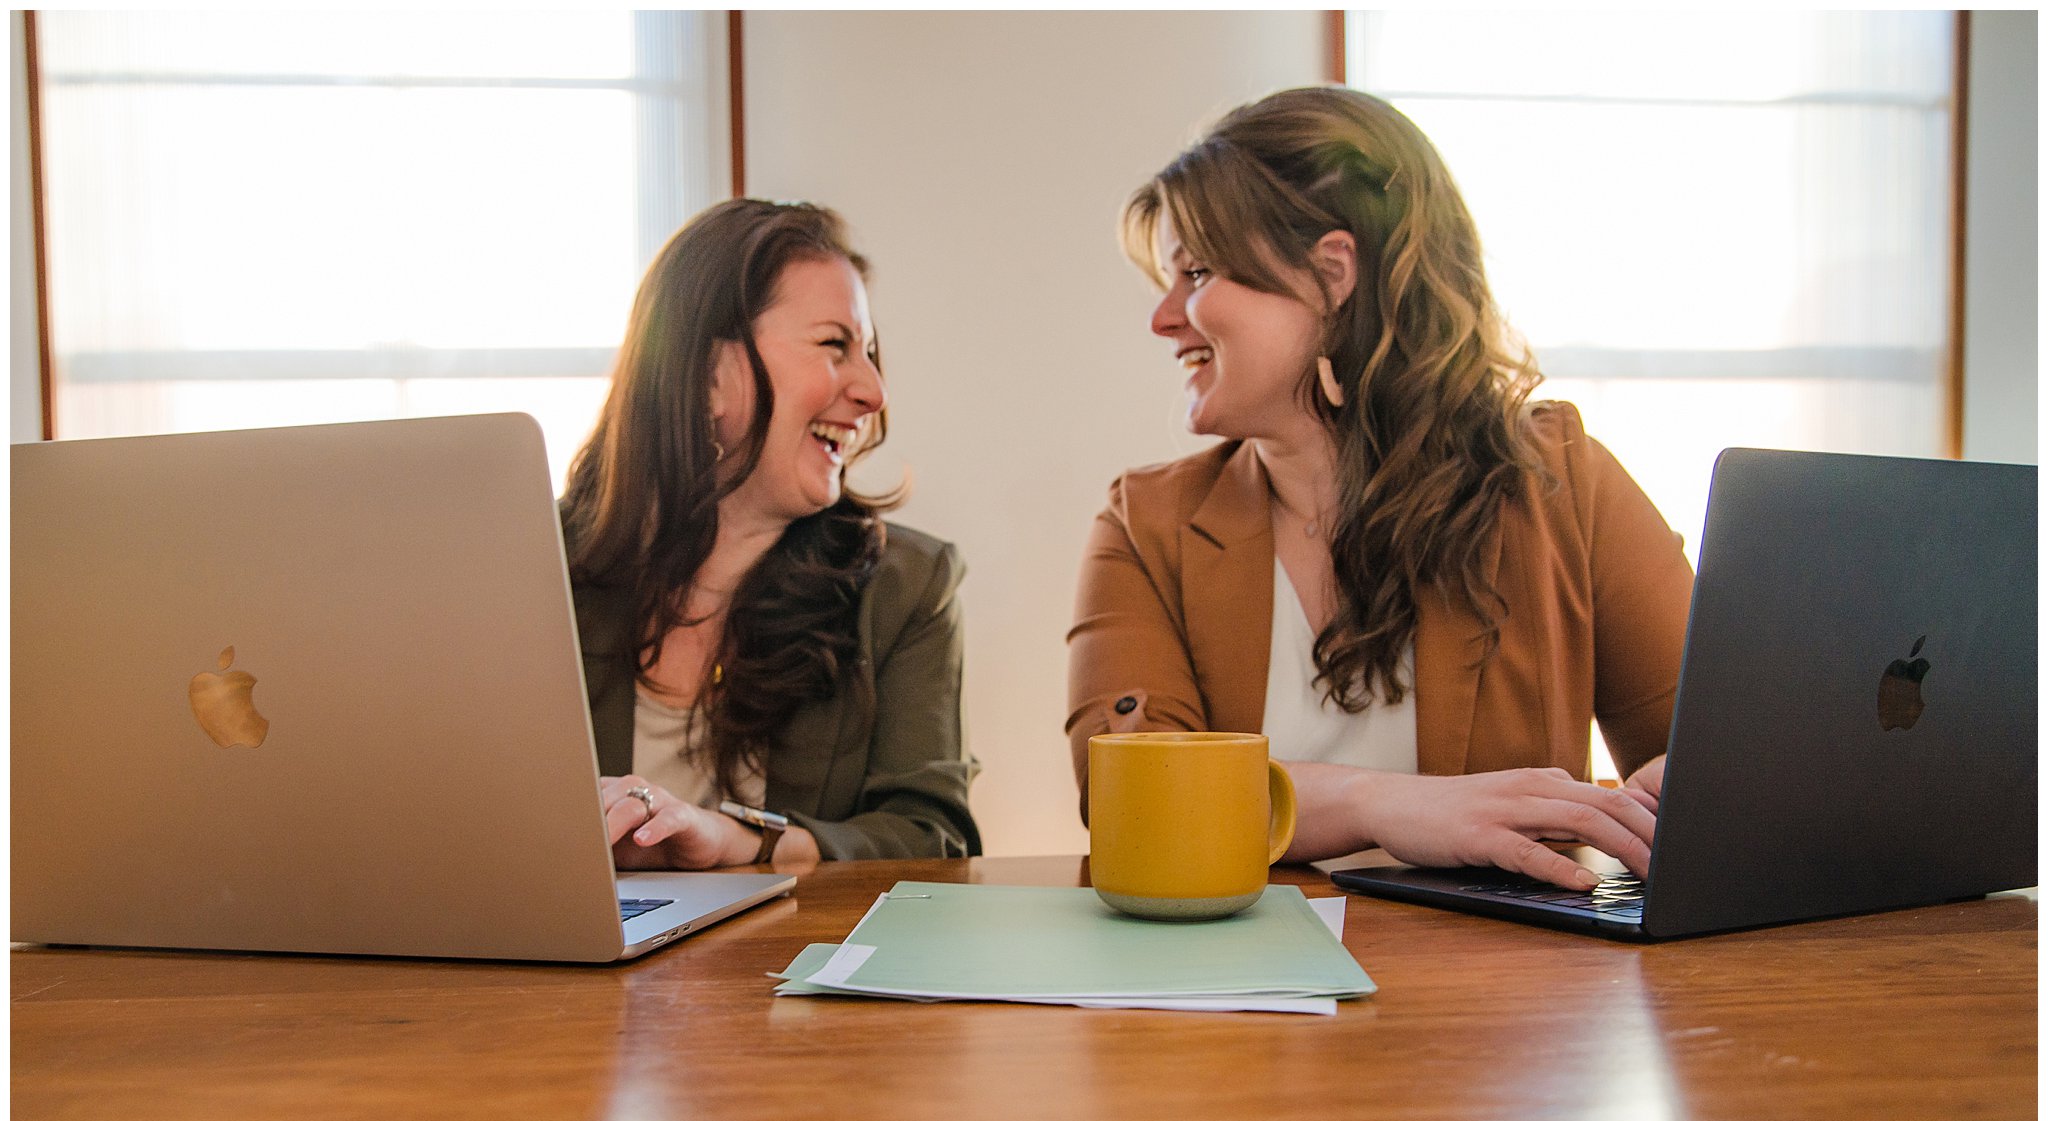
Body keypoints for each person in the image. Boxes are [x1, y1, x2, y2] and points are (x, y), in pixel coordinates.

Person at [1066, 87, 1693, 891]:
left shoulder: (1561, 483)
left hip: (1505, 998)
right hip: (1232, 1000)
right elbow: (1129, 800)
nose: (1163, 317)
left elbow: (1712, 754)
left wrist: (1684, 790)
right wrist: (1381, 806)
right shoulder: (1145, 523)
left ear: (1331, 276)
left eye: (1195, 272)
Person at [560, 198, 979, 873]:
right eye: (833, 345)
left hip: (783, 975)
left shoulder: (907, 586)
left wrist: (744, 840)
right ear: (705, 374)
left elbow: (933, 836)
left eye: (869, 353)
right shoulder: (532, 568)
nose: (873, 392)